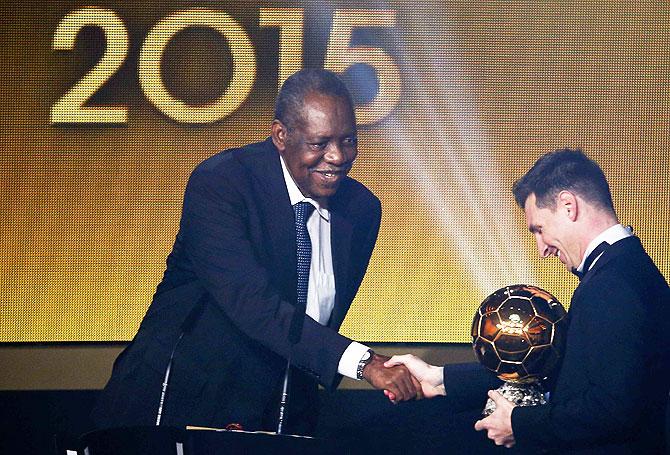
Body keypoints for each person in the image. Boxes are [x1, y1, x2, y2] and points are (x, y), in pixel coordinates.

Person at [92, 69, 419, 435]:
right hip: (181, 401)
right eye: (319, 143)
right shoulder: (223, 184)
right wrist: (364, 363)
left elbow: (320, 317)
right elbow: (253, 304)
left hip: (284, 407)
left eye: (348, 140)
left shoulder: (360, 209)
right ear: (281, 136)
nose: (338, 156)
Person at [385, 149, 669, 453]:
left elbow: (613, 409)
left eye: (539, 229)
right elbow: (558, 369)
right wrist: (439, 379)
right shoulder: (622, 271)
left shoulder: (613, 284)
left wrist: (519, 423)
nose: (541, 249)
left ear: (568, 205)